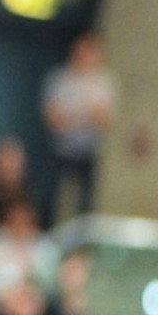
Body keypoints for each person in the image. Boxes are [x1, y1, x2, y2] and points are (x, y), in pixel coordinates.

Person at [40, 32, 116, 223]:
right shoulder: (59, 80)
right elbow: (55, 120)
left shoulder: (103, 83)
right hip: (60, 150)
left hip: (88, 151)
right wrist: (86, 115)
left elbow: (104, 120)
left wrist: (72, 115)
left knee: (86, 205)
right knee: (50, 200)